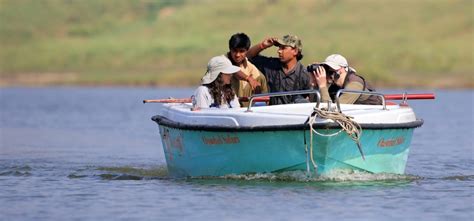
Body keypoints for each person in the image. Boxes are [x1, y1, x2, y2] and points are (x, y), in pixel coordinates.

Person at [246, 34, 311, 105]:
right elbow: (248, 56)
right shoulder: (271, 65)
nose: (279, 51)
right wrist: (262, 45)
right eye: (279, 47)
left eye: (283, 48)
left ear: (295, 51)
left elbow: (312, 101)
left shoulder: (304, 75)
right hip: (273, 113)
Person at [310, 54, 382, 105]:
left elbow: (333, 112)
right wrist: (316, 85)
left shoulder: (355, 85)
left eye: (331, 71)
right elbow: (316, 106)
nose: (328, 74)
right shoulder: (335, 87)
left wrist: (323, 86)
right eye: (327, 71)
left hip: (372, 115)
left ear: (342, 69)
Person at [226, 33, 268, 107]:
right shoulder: (221, 62)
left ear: (247, 51)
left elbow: (264, 100)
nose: (237, 55)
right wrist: (248, 78)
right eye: (234, 51)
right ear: (230, 49)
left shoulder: (255, 72)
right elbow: (233, 70)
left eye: (241, 51)